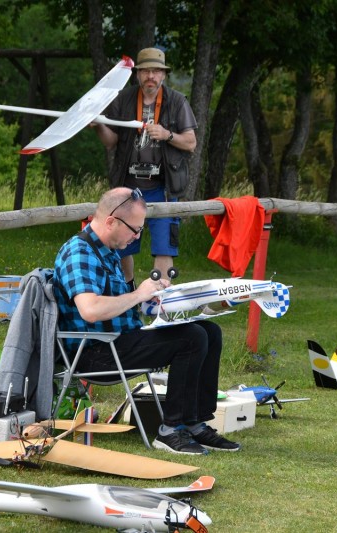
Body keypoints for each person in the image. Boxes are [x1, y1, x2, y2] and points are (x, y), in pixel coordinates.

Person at [53, 187, 240, 455]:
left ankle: (194, 423)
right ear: (111, 221)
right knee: (192, 338)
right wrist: (138, 294)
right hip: (95, 352)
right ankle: (171, 430)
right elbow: (90, 310)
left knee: (209, 331)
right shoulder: (79, 252)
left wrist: (155, 298)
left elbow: (119, 303)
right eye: (135, 229)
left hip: (118, 341)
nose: (137, 236)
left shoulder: (106, 250)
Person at [94, 47, 197, 288]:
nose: (151, 76)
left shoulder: (177, 101)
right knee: (121, 243)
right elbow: (110, 141)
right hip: (128, 186)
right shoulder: (124, 99)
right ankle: (126, 292)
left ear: (163, 74)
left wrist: (167, 134)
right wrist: (98, 124)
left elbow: (191, 143)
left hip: (163, 187)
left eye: (156, 71)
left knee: (164, 247)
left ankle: (158, 299)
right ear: (138, 74)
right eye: (145, 71)